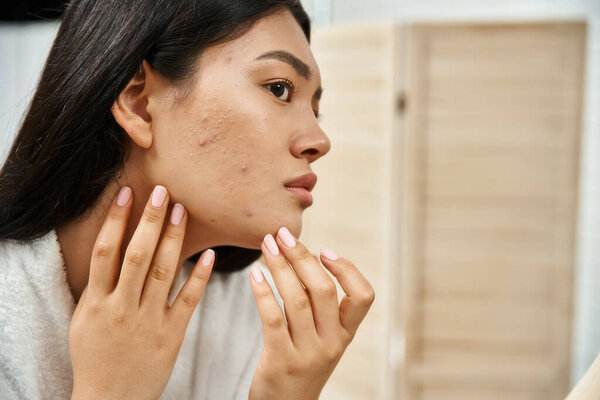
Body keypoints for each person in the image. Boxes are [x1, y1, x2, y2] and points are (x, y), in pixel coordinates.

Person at [0, 0, 376, 399]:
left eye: (316, 110)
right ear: (139, 103)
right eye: (279, 89)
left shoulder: (246, 321)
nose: (319, 141)